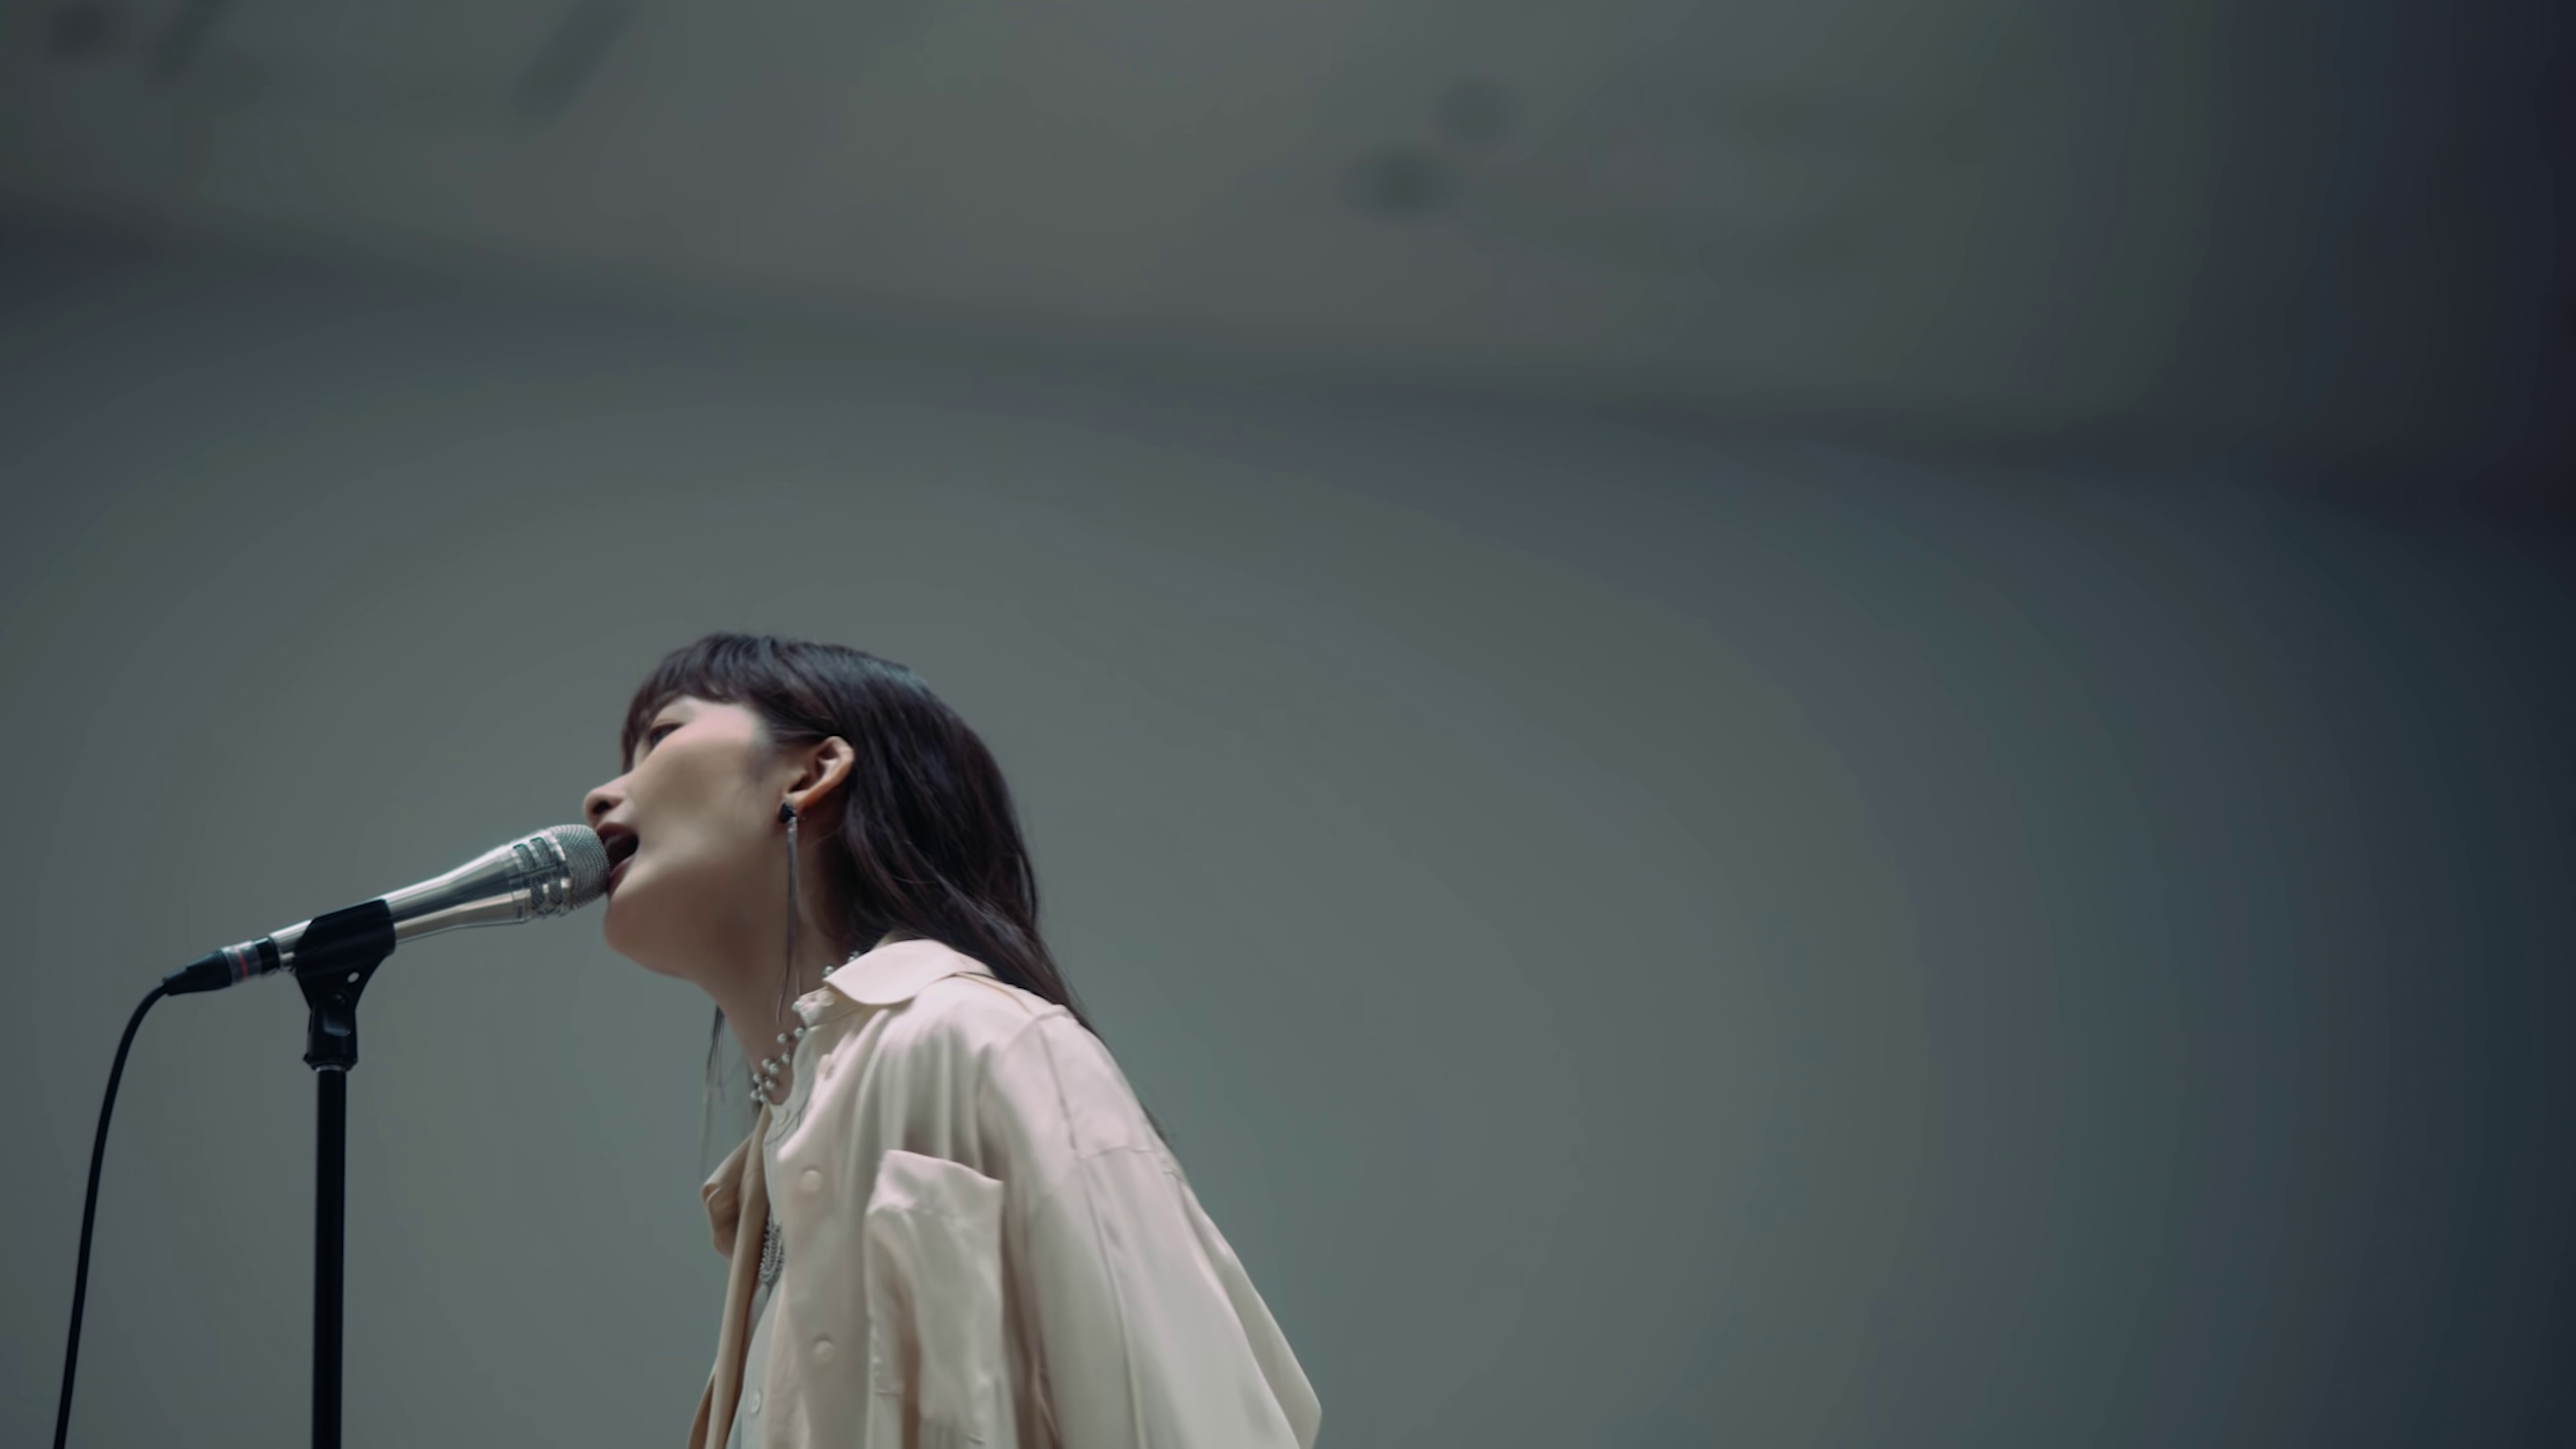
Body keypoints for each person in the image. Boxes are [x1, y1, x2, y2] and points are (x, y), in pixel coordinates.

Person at [580, 633, 1320, 1449]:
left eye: (662, 735)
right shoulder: (771, 1172)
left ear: (811, 773)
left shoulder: (986, 1041)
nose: (598, 798)